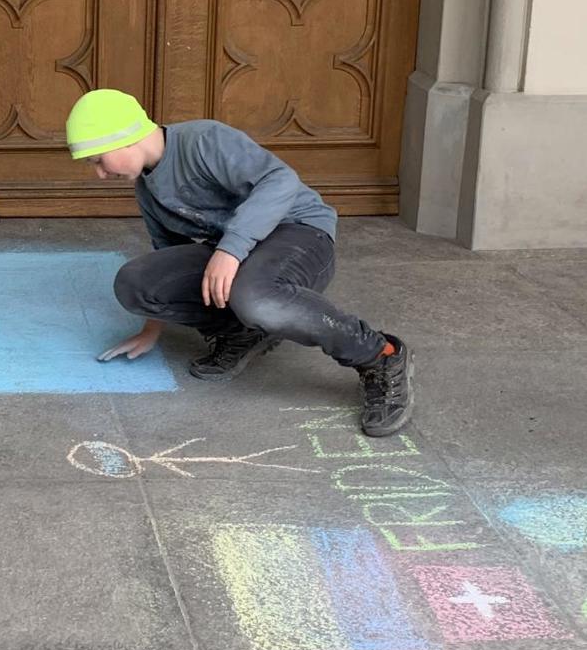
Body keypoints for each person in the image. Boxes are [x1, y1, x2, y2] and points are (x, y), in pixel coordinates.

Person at [69, 89, 415, 437]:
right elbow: (168, 256)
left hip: (299, 233)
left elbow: (281, 181)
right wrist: (151, 330)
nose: (99, 173)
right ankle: (241, 332)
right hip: (239, 254)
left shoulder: (204, 140)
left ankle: (379, 354)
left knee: (255, 297)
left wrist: (230, 250)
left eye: (98, 160)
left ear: (125, 138)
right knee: (136, 283)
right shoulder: (148, 190)